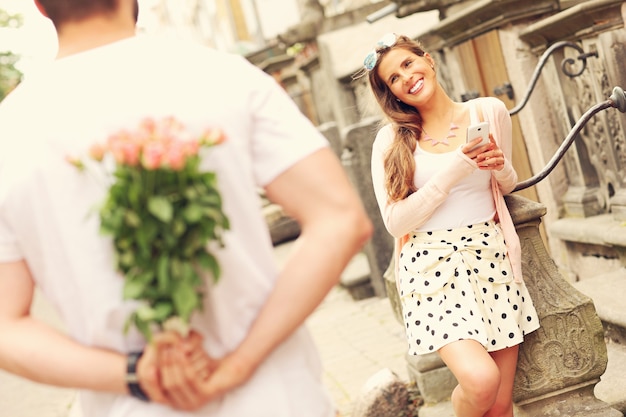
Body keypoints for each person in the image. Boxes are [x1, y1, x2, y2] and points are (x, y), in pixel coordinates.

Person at [0, 1, 373, 416]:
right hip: (272, 396)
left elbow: (5, 328)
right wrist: (239, 363)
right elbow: (340, 220)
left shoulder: (9, 132)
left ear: (39, 5)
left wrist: (137, 375)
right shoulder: (221, 76)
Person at [362, 33, 540, 417]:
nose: (406, 77)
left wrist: (499, 165)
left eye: (408, 64)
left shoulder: (488, 111)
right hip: (431, 268)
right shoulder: (391, 141)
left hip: (490, 257)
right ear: (391, 93)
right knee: (480, 382)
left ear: (428, 59)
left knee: (499, 406)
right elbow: (395, 222)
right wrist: (456, 168)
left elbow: (507, 183)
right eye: (393, 78)